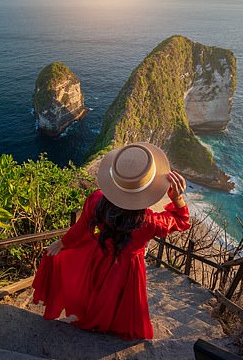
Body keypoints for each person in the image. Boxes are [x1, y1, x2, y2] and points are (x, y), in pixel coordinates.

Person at [32, 142, 190, 340]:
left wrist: (63, 243)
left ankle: (93, 322)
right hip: (128, 269)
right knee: (119, 301)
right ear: (146, 190)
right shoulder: (150, 222)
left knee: (96, 292)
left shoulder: (97, 200)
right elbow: (182, 222)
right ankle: (108, 327)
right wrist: (177, 199)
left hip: (98, 256)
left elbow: (80, 230)